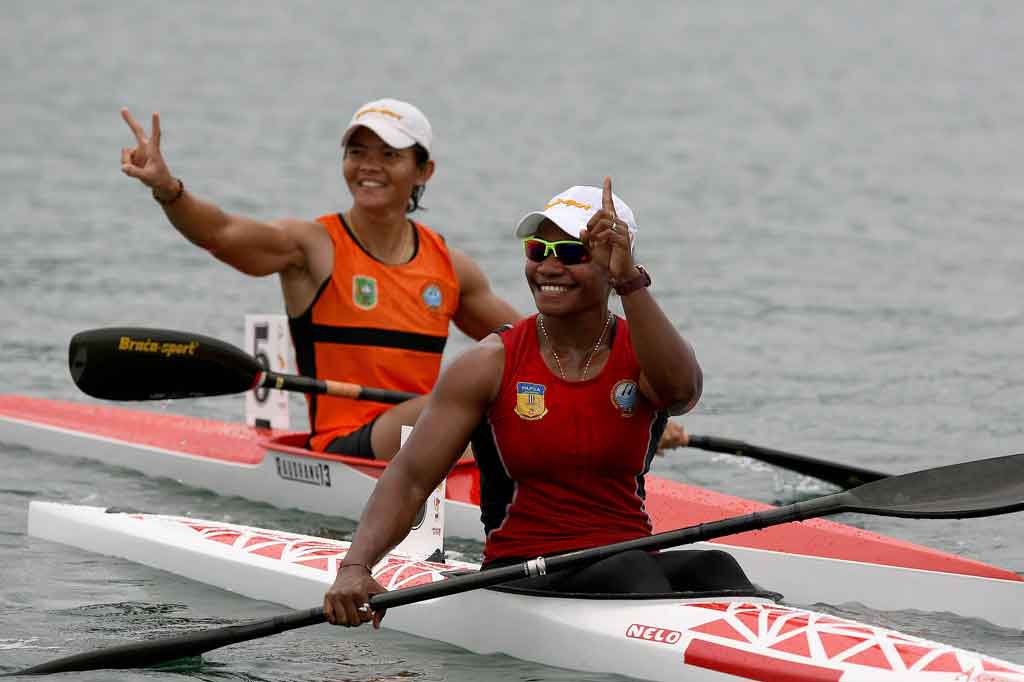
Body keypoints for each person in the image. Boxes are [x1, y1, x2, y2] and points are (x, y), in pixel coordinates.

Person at [323, 178, 752, 628]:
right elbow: (410, 478)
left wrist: (631, 282)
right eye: (536, 251)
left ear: (614, 264)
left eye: (570, 253)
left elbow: (682, 394)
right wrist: (355, 567)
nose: (548, 266)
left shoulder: (643, 353)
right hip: (525, 569)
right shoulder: (489, 365)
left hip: (626, 561)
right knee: (631, 570)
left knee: (716, 566)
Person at [119, 98, 522, 460]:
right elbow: (221, 233)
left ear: (423, 170)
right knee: (458, 400)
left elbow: (525, 346)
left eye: (388, 154)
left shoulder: (451, 267)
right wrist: (167, 189)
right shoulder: (312, 248)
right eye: (356, 152)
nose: (368, 165)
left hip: (426, 438)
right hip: (344, 445)